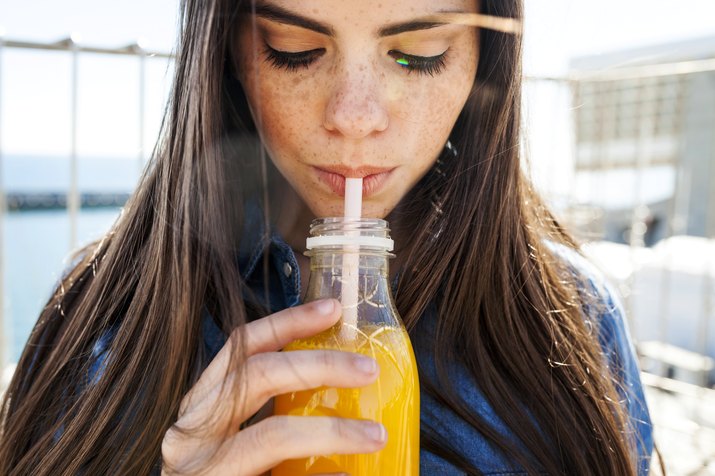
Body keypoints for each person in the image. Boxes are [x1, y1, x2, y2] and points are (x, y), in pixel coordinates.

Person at [0, 0, 655, 474]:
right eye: (292, 48)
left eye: (417, 54)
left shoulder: (573, 313)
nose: (354, 118)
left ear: (486, 61)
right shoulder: (101, 319)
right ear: (227, 46)